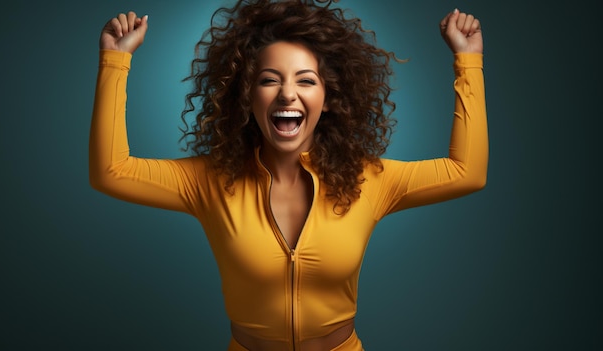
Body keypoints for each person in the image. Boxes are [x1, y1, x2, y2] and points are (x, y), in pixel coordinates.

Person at [89, 0, 487, 349]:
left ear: (328, 99)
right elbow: (111, 171)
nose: (287, 94)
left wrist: (468, 61)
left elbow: (466, 172)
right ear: (247, 96)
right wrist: (115, 59)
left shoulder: (370, 179)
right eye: (269, 80)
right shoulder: (209, 181)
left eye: (306, 81)